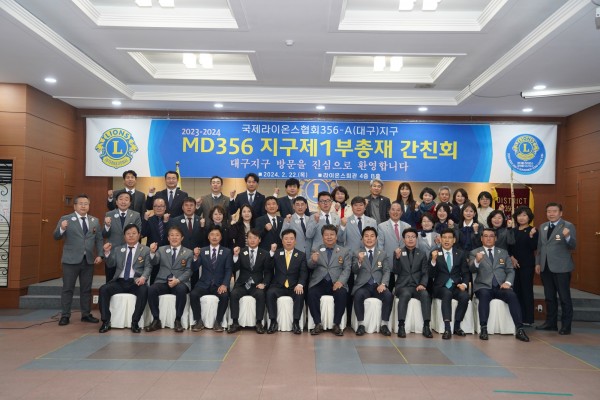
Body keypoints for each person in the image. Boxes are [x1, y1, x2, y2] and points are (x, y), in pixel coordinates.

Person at [469, 228, 529, 342]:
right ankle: (484, 329)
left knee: (512, 296)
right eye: (485, 236)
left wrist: (507, 282)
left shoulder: (503, 252)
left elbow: (510, 270)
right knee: (484, 296)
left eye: (491, 236)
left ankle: (520, 329)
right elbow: (471, 269)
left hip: (501, 287)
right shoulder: (475, 252)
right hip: (483, 286)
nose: (488, 238)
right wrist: (477, 261)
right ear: (481, 238)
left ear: (495, 238)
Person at [53, 194, 103, 326]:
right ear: (75, 206)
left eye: (86, 204)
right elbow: (56, 236)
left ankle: (85, 314)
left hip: (88, 260)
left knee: (86, 289)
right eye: (80, 203)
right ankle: (65, 315)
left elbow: (99, 239)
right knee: (67, 288)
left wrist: (100, 255)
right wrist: (62, 228)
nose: (83, 206)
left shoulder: (94, 221)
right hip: (70, 261)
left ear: (89, 206)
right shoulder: (66, 219)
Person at [98, 224, 151, 334]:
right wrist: (107, 253)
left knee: (144, 290)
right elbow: (111, 264)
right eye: (128, 234)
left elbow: (148, 267)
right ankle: (106, 322)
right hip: (120, 281)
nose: (131, 236)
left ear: (139, 235)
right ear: (124, 236)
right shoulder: (118, 249)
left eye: (134, 233)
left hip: (135, 282)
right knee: (103, 289)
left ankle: (135, 322)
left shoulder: (145, 250)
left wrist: (143, 277)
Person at [535, 202, 577, 335]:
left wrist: (567, 236)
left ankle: (566, 326)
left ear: (561, 213)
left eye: (554, 211)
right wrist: (538, 263)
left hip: (562, 268)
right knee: (549, 297)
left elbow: (573, 246)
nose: (551, 214)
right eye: (549, 211)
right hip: (545, 267)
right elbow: (540, 246)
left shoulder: (568, 226)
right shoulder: (543, 226)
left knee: (564, 298)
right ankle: (551, 323)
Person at [146, 226, 193, 333]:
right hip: (162, 281)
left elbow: (189, 271)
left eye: (177, 235)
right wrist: (152, 252)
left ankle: (178, 320)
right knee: (151, 289)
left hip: (180, 282)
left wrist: (178, 280)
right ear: (168, 238)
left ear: (182, 238)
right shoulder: (161, 249)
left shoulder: (188, 252)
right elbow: (154, 262)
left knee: (181, 290)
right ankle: (156, 320)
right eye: (172, 235)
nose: (174, 237)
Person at [307, 225, 351, 336]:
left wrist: (340, 282)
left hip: (336, 282)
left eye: (332, 234)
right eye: (326, 235)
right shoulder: (316, 249)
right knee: (311, 293)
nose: (329, 237)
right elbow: (310, 266)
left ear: (336, 236)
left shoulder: (344, 251)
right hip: (319, 282)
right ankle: (317, 324)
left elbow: (347, 269)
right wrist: (313, 261)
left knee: (342, 294)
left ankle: (336, 324)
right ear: (322, 237)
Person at [229, 229, 272, 334]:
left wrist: (264, 284)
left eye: (255, 238)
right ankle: (235, 322)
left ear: (259, 240)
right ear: (247, 239)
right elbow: (234, 268)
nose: (252, 240)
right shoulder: (241, 252)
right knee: (233, 294)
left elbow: (268, 272)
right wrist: (235, 256)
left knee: (261, 294)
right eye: (250, 238)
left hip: (257, 285)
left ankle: (259, 322)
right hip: (242, 284)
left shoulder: (265, 254)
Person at [189, 226, 232, 333]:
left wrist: (224, 284)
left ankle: (218, 322)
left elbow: (228, 270)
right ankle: (198, 321)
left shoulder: (226, 252)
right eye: (212, 235)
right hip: (204, 283)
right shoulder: (202, 251)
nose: (214, 237)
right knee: (193, 294)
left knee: (224, 296)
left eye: (217, 235)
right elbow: (194, 268)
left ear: (221, 237)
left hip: (219, 284)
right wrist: (195, 257)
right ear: (208, 237)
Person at [352, 227, 393, 336]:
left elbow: (386, 271)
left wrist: (383, 284)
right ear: (362, 239)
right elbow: (354, 270)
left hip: (377, 286)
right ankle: (361, 324)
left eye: (372, 236)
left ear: (376, 238)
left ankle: (384, 324)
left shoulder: (382, 253)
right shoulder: (357, 253)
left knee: (388, 295)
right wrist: (359, 261)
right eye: (366, 236)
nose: (369, 238)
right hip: (363, 286)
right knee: (358, 295)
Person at [429, 228, 470, 339]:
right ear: (440, 239)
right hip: (440, 287)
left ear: (454, 240)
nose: (447, 240)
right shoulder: (435, 253)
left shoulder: (460, 254)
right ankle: (447, 328)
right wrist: (433, 261)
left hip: (456, 285)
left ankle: (457, 326)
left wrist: (464, 284)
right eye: (444, 237)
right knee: (447, 294)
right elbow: (431, 274)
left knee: (465, 296)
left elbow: (466, 273)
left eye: (449, 238)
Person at [265, 229, 308, 334]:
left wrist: (300, 284)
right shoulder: (276, 253)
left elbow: (304, 272)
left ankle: (296, 322)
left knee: (299, 294)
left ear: (295, 241)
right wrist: (271, 253)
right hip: (278, 286)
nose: (289, 241)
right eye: (286, 239)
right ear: (282, 241)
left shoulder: (301, 255)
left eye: (291, 239)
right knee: (270, 293)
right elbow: (268, 267)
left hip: (294, 286)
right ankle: (273, 322)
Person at [393, 228, 432, 338]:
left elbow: (425, 272)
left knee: (425, 294)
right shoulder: (398, 252)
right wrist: (397, 258)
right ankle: (401, 326)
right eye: (408, 237)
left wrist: (422, 284)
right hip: (402, 286)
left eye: (413, 237)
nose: (410, 239)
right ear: (403, 239)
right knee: (405, 294)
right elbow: (396, 271)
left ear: (416, 239)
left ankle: (426, 326)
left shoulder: (422, 253)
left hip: (417, 286)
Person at [102, 191, 142, 282]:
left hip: (130, 253)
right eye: (120, 199)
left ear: (130, 203)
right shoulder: (109, 214)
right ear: (116, 202)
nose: (123, 202)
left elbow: (138, 233)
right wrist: (107, 226)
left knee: (128, 281)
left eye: (126, 199)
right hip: (113, 253)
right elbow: (104, 234)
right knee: (110, 281)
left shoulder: (136, 215)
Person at [508, 206, 538, 326]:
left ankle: (528, 318)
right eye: (519, 215)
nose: (521, 218)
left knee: (526, 291)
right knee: (516, 291)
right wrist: (512, 258)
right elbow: (508, 247)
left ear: (529, 217)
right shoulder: (513, 231)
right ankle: (517, 317)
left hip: (527, 265)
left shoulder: (533, 230)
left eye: (524, 215)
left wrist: (531, 236)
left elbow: (534, 247)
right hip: (513, 265)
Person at [170, 197, 205, 287]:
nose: (189, 207)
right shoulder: (175, 220)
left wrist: (202, 227)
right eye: (186, 205)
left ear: (195, 207)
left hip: (196, 255)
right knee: (180, 282)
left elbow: (204, 239)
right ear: (182, 207)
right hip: (180, 255)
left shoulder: (201, 220)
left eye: (191, 205)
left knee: (195, 281)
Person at [377, 201, 411, 289]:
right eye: (393, 209)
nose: (395, 212)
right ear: (389, 211)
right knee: (388, 291)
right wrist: (382, 262)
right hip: (388, 264)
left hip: (404, 265)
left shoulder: (407, 226)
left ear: (401, 212)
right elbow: (380, 246)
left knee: (402, 291)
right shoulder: (381, 226)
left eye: (398, 210)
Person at [141, 198, 170, 283]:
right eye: (156, 206)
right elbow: (143, 234)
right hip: (153, 253)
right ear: (153, 208)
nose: (159, 208)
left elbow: (171, 236)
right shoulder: (149, 220)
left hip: (167, 253)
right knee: (153, 278)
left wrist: (166, 223)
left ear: (165, 208)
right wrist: (145, 220)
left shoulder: (171, 220)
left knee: (168, 278)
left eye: (161, 206)